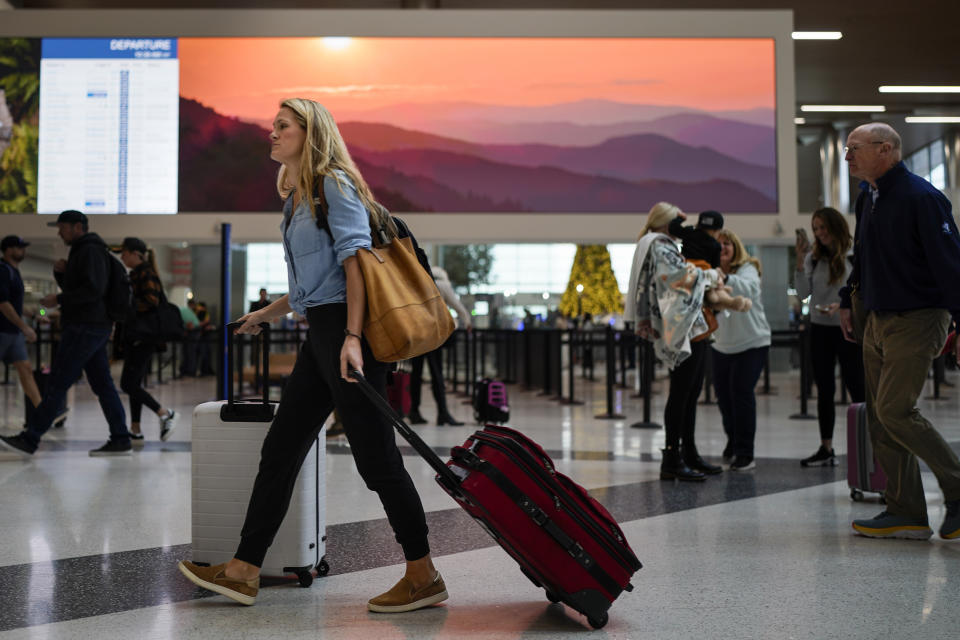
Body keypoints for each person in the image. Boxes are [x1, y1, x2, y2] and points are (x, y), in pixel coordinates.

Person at [177, 98, 446, 612]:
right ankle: (243, 570)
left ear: (309, 132)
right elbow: (311, 287)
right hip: (320, 336)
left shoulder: (334, 185)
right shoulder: (296, 199)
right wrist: (265, 315)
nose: (271, 134)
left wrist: (349, 338)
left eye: (283, 126)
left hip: (349, 335)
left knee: (378, 462)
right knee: (280, 451)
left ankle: (423, 574)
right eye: (272, 126)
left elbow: (356, 266)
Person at [838, 122, 960, 540]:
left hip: (919, 316)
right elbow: (864, 255)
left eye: (853, 149)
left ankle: (958, 488)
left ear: (884, 149)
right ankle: (905, 509)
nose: (847, 157)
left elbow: (951, 264)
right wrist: (846, 299)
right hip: (876, 316)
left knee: (895, 410)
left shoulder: (922, 198)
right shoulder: (866, 197)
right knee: (879, 416)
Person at [0, 210, 131, 457]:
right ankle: (121, 437)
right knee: (102, 385)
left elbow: (93, 291)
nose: (59, 232)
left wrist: (58, 298)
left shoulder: (89, 250)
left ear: (77, 227)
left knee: (58, 381)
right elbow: (84, 290)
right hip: (92, 325)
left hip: (85, 327)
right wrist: (62, 275)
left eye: (62, 227)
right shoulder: (86, 250)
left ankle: (30, 439)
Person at [625, 202, 728, 481]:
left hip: (688, 325)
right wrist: (711, 275)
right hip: (681, 327)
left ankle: (688, 453)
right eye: (676, 221)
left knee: (690, 392)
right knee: (682, 393)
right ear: (666, 223)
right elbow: (678, 278)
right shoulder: (659, 244)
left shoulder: (660, 243)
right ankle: (672, 457)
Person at [794, 207, 864, 467]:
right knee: (824, 389)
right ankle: (826, 447)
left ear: (835, 227)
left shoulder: (854, 255)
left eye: (823, 227)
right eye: (815, 228)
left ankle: (866, 444)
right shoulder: (814, 259)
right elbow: (802, 294)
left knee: (857, 386)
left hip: (848, 327)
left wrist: (844, 306)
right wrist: (800, 262)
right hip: (820, 328)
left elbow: (862, 290)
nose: (819, 233)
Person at [711, 229, 771, 472]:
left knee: (741, 394)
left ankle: (745, 452)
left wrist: (724, 278)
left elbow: (749, 289)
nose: (724, 248)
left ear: (736, 247)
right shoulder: (708, 271)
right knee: (724, 398)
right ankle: (733, 441)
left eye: (728, 244)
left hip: (752, 343)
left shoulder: (747, 268)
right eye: (719, 244)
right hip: (720, 345)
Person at [114, 237, 178, 446]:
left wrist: (127, 309)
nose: (122, 256)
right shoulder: (138, 273)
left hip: (143, 336)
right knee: (134, 384)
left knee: (128, 383)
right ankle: (136, 429)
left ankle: (164, 413)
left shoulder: (145, 273)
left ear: (135, 253)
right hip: (139, 336)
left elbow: (151, 301)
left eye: (124, 252)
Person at [407, 266, 469, 427]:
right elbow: (455, 304)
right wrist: (467, 320)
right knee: (437, 374)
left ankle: (414, 411)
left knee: (416, 374)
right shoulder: (442, 284)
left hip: (417, 333)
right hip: (434, 334)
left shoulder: (417, 280)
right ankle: (443, 413)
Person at [0, 235, 43, 419]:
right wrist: (24, 327)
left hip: (13, 332)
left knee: (26, 369)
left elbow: (15, 305)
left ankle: (42, 414)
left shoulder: (14, 271)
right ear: (8, 250)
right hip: (2, 330)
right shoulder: (2, 270)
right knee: (25, 369)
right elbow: (2, 304)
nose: (23, 251)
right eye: (19, 248)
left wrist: (36, 315)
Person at [178, 300, 201, 377]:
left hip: (193, 332)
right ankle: (188, 371)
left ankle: (190, 372)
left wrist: (184, 332)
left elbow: (190, 325)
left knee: (190, 352)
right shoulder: (185, 311)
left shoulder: (182, 311)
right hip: (193, 332)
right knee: (188, 351)